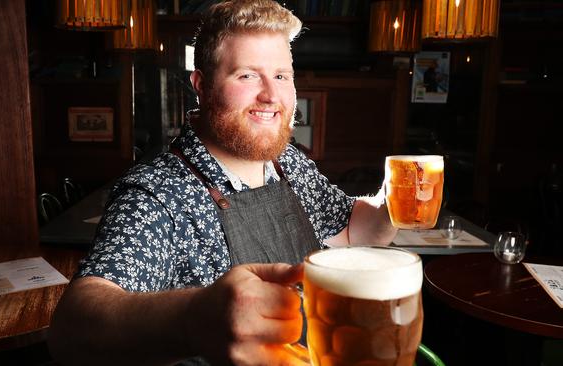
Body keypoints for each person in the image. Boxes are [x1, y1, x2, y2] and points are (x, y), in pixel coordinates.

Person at [48, 1, 397, 365]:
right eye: (247, 75)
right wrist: (192, 318)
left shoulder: (286, 164)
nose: (271, 96)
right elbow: (73, 329)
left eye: (281, 76)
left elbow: (356, 231)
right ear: (201, 85)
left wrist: (394, 204)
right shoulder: (160, 193)